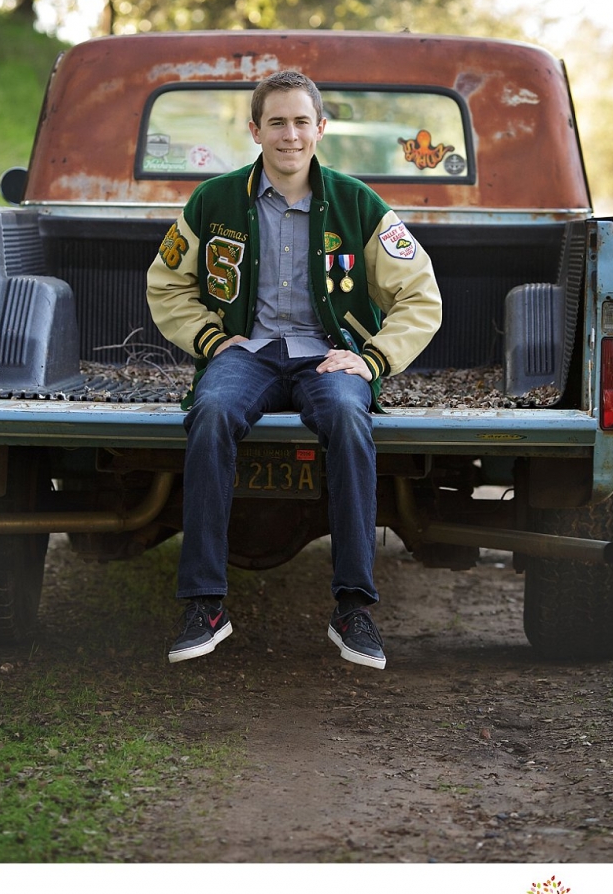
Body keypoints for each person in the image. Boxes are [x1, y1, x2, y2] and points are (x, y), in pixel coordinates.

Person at [147, 70, 442, 669]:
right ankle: (204, 604)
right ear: (255, 130)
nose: (290, 135)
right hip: (247, 354)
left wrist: (370, 359)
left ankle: (353, 608)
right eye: (277, 122)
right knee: (210, 411)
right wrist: (210, 339)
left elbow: (420, 296)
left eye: (301, 122)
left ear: (321, 128)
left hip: (325, 356)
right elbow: (167, 283)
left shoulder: (358, 204)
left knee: (349, 419)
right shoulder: (213, 201)